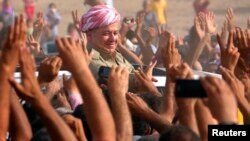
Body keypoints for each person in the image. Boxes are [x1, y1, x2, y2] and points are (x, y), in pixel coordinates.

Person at [80, 5, 135, 80]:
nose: (112, 39)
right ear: (89, 36)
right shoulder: (88, 58)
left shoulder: (115, 55)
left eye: (115, 33)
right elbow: (115, 79)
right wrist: (141, 81)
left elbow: (133, 71)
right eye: (106, 33)